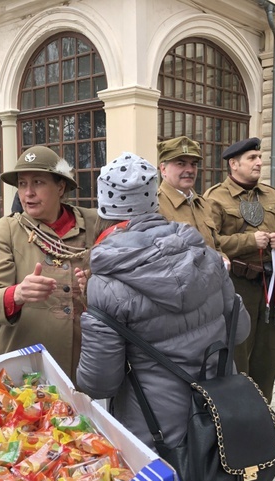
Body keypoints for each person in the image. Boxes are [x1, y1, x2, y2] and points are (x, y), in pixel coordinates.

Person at [76, 152, 250, 458]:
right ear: (154, 202)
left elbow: (99, 382)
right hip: (216, 413)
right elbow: (240, 331)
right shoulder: (206, 256)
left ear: (105, 212)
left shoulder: (105, 284)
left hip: (151, 431)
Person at [0, 145, 97, 381]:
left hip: (85, 364)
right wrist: (17, 294)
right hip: (27, 370)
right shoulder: (9, 229)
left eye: (38, 182)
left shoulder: (92, 223)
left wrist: (95, 286)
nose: (27, 193)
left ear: (60, 187)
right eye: (22, 184)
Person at [205, 137, 275, 437]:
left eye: (260, 157)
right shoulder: (215, 199)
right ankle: (237, 420)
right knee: (237, 352)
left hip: (270, 285)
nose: (259, 162)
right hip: (237, 285)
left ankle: (263, 412)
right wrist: (247, 241)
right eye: (252, 158)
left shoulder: (272, 196)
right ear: (234, 163)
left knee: (268, 354)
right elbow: (210, 243)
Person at [156, 136, 223, 253]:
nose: (190, 170)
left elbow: (216, 246)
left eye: (193, 164)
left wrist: (223, 260)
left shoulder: (202, 204)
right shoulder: (155, 206)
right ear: (163, 169)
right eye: (181, 164)